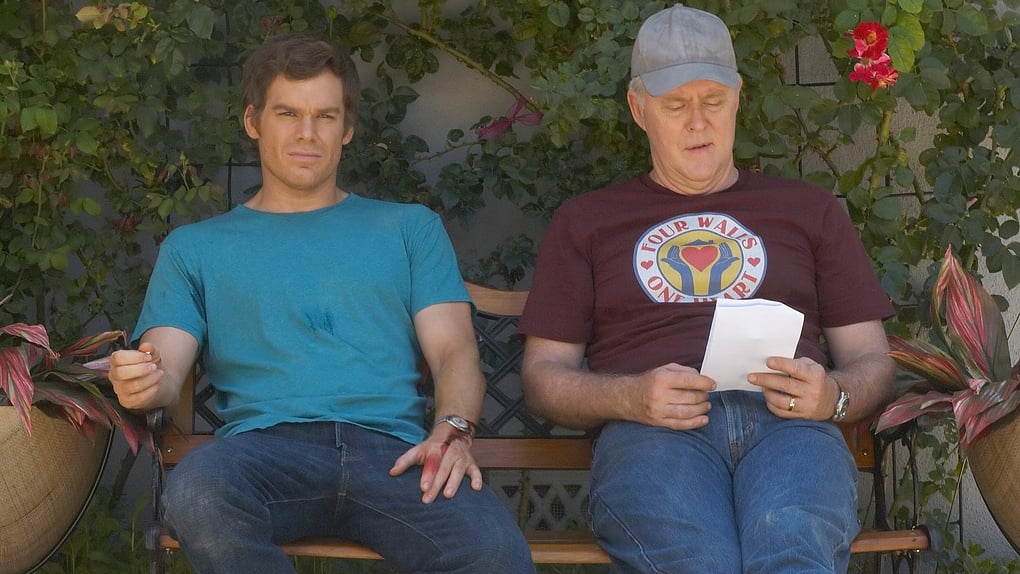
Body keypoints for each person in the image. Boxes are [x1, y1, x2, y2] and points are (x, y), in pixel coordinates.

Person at [107, 33, 535, 574]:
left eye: (325, 116)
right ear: (253, 121)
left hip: (396, 456)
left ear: (347, 128)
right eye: (288, 113)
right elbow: (164, 368)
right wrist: (143, 382)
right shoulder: (195, 248)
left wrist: (453, 429)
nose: (307, 133)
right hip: (264, 456)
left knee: (495, 552)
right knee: (196, 493)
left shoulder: (410, 229)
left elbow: (454, 350)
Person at [518, 5, 897, 574]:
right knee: (697, 562)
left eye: (713, 101)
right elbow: (543, 378)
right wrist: (630, 397)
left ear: (738, 97)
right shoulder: (587, 222)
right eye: (676, 105)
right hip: (652, 433)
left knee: (793, 550)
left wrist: (833, 397)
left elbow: (872, 359)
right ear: (639, 109)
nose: (698, 122)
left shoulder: (808, 210)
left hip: (791, 430)